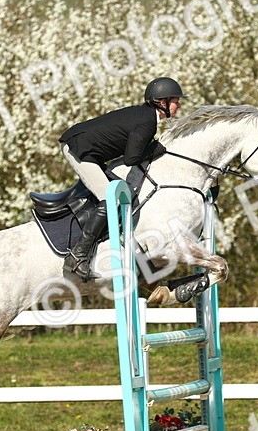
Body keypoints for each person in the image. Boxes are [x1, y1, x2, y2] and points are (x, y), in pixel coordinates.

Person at [58, 77, 186, 280]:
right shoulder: (147, 122)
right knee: (109, 199)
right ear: (162, 103)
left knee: (121, 189)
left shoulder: (145, 117)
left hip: (89, 150)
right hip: (79, 149)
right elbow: (131, 158)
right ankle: (77, 256)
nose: (179, 104)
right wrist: (156, 148)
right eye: (175, 100)